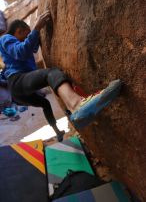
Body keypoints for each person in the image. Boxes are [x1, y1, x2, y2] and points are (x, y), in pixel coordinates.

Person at [0, 10, 122, 142]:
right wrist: (36, 28)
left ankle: (58, 131)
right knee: (51, 73)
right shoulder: (6, 38)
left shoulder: (20, 41)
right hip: (17, 81)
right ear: (19, 31)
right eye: (26, 33)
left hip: (20, 91)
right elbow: (21, 52)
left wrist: (38, 32)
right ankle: (76, 104)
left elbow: (32, 47)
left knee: (45, 103)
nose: (28, 36)